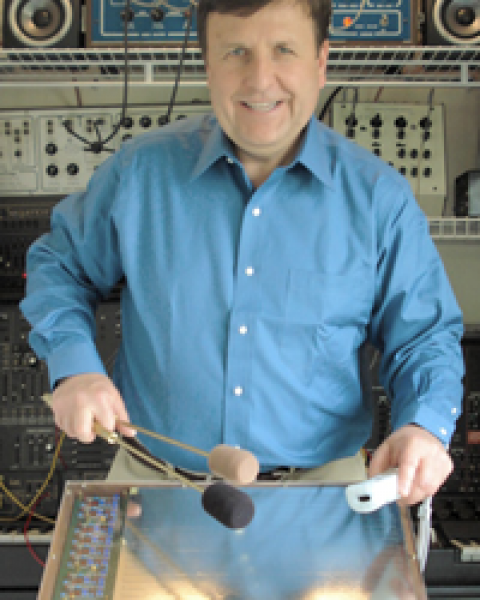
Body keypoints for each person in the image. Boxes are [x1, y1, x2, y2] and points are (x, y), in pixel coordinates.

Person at [20, 0, 464, 505]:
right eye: (236, 52)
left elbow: (424, 337)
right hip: (155, 487)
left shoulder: (379, 198)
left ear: (320, 62)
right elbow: (60, 265)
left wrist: (424, 426)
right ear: (208, 65)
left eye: (284, 50)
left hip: (323, 498)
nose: (260, 80)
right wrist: (75, 367)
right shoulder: (138, 174)